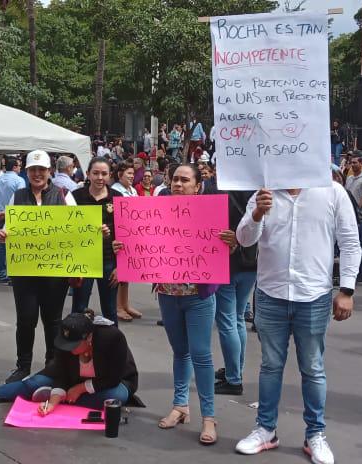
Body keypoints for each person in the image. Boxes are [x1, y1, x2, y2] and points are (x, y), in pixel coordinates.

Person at [232, 175, 359, 464]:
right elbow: (243, 238)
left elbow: (350, 242)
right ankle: (265, 429)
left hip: (313, 295)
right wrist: (257, 213)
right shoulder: (264, 193)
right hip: (271, 293)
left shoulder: (332, 192)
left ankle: (315, 434)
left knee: (313, 368)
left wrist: (347, 290)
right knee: (270, 365)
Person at [116, 163, 231, 446]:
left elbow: (226, 246)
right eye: (174, 180)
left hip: (198, 297)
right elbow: (138, 243)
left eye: (184, 180)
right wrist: (122, 248)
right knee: (180, 353)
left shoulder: (210, 215)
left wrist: (231, 241)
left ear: (197, 185)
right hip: (168, 295)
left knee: (201, 356)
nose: (178, 184)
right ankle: (180, 405)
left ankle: (209, 417)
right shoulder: (157, 211)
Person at [0, 150, 78, 384]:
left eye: (41, 170)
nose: (37, 174)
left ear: (49, 171)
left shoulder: (63, 195)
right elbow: (9, 229)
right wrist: (4, 234)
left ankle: (52, 365)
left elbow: (77, 229)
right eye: (33, 170)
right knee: (26, 319)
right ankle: (23, 366)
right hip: (26, 271)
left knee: (53, 320)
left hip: (55, 272)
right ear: (27, 172)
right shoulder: (18, 196)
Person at [0, 310, 139, 412]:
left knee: (114, 398)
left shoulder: (112, 338)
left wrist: (80, 388)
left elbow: (113, 378)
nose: (70, 349)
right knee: (34, 382)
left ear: (88, 338)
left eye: (74, 345)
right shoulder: (64, 341)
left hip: (112, 382)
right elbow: (61, 372)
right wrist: (53, 402)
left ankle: (58, 396)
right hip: (70, 379)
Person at [212, 190, 257, 396]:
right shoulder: (258, 193)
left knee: (228, 320)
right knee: (237, 318)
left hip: (227, 265)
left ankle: (233, 378)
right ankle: (234, 370)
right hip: (251, 263)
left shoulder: (219, 194)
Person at [71, 157, 122, 324]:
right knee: (79, 310)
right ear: (87, 174)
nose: (100, 177)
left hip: (109, 261)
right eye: (96, 173)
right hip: (83, 261)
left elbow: (127, 234)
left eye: (104, 174)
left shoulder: (118, 197)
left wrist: (120, 266)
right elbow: (67, 229)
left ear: (110, 175)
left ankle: (111, 348)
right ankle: (75, 347)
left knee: (110, 311)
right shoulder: (75, 197)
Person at [110, 162, 141, 322]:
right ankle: (118, 307)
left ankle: (125, 303)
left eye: (132, 173)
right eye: (128, 173)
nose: (131, 176)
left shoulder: (133, 190)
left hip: (133, 234)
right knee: (119, 273)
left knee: (127, 273)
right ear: (119, 174)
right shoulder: (115, 191)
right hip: (121, 234)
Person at [0, 157, 26, 283]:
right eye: (19, 166)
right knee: (15, 245)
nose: (20, 168)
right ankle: (11, 274)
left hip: (0, 215)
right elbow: (21, 199)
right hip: (15, 215)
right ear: (15, 167)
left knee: (2, 245)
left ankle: (1, 274)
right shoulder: (19, 180)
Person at [344, 153, 362, 282]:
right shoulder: (349, 178)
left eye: (355, 162)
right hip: (350, 217)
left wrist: (356, 210)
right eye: (352, 162)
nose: (353, 165)